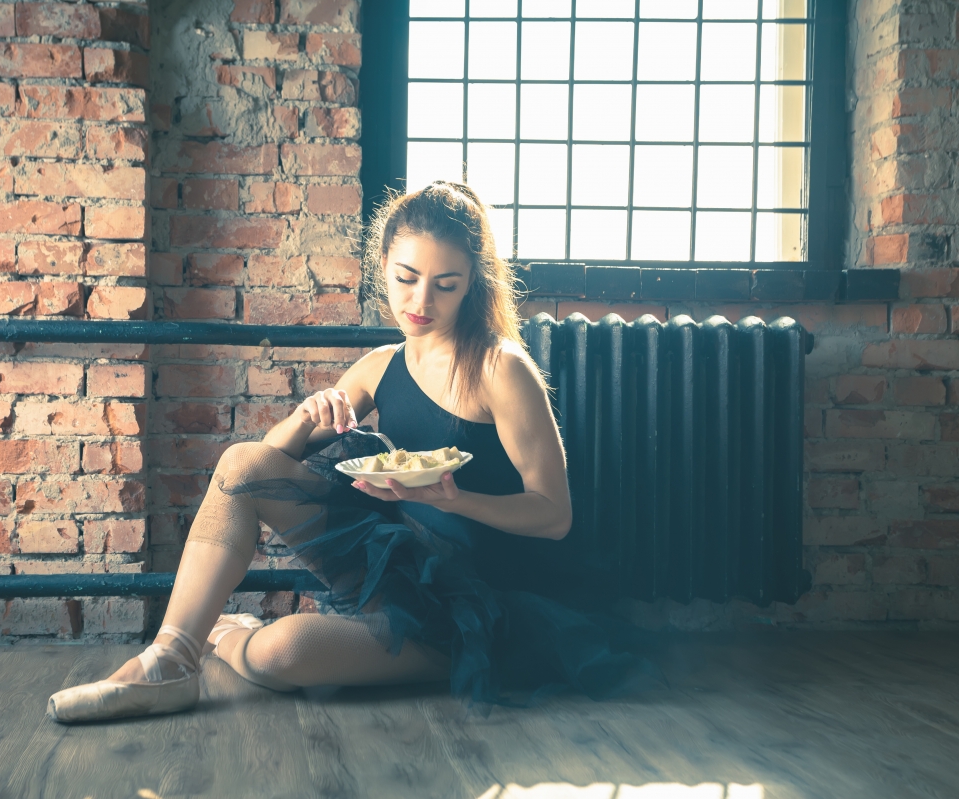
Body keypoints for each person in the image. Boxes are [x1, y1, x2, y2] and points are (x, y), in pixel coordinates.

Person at [47, 182, 646, 722]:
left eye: (446, 285)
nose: (420, 301)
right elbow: (255, 470)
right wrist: (308, 415)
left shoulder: (501, 368)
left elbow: (554, 514)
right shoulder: (380, 365)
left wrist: (456, 499)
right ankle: (172, 660)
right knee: (238, 462)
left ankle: (228, 634)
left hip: (484, 607)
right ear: (383, 264)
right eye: (406, 277)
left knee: (282, 652)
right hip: (402, 567)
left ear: (473, 283)